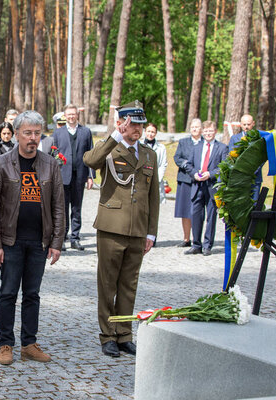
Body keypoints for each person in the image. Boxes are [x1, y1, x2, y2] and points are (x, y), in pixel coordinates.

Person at [0, 110, 65, 366]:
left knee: (32, 294)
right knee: (8, 293)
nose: (32, 138)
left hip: (39, 242)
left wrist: (56, 242)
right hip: (11, 241)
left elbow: (59, 206)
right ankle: (5, 343)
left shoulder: (50, 164)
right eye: (27, 133)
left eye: (37, 133)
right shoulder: (1, 164)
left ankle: (29, 344)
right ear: (16, 134)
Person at [83, 101, 159, 358]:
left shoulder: (149, 155)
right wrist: (116, 136)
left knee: (129, 284)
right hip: (111, 227)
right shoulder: (109, 150)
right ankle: (108, 336)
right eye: (132, 124)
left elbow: (153, 197)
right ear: (122, 123)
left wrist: (151, 232)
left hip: (138, 230)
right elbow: (90, 161)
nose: (137, 129)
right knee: (107, 284)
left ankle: (124, 334)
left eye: (140, 124)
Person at [52, 104, 94, 251]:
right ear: (65, 116)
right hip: (62, 176)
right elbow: (54, 153)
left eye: (73, 114)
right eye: (68, 114)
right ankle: (62, 238)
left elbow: (91, 155)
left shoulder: (86, 132)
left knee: (76, 208)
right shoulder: (57, 133)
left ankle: (75, 238)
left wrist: (90, 176)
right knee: (61, 209)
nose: (71, 117)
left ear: (77, 115)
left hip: (79, 176)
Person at [184, 120, 228, 256]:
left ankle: (207, 245)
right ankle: (196, 244)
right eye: (206, 131)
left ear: (215, 132)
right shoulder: (196, 147)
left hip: (212, 185)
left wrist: (211, 174)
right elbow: (188, 165)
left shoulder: (222, 148)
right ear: (202, 132)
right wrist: (194, 174)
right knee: (196, 215)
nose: (208, 133)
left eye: (211, 131)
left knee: (211, 216)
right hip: (197, 185)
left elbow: (223, 167)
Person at [173, 118, 203, 247]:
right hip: (185, 179)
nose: (194, 129)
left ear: (201, 129)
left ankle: (198, 239)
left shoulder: (205, 143)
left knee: (197, 211)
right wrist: (187, 166)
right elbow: (177, 158)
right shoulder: (183, 142)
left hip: (200, 180)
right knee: (185, 210)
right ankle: (186, 239)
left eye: (197, 127)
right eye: (192, 127)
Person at [228, 114, 261, 201]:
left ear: (253, 124)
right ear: (240, 124)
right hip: (239, 178)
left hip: (255, 177)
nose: (246, 127)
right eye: (244, 124)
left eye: (248, 124)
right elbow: (230, 157)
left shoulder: (259, 138)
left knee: (254, 204)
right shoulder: (234, 139)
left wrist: (253, 170)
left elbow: (262, 158)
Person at [141, 123, 167, 204]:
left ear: (156, 133)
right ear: (145, 132)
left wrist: (157, 179)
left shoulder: (161, 148)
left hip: (156, 180)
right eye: (148, 131)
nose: (150, 134)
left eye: (153, 132)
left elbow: (163, 164)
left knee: (154, 205)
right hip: (141, 179)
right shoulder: (139, 145)